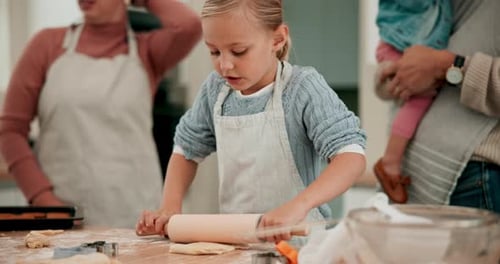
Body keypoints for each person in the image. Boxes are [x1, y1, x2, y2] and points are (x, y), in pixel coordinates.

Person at [136, 0, 366, 242]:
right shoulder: (216, 90)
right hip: (238, 245)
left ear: (277, 40)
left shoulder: (302, 89)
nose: (224, 65)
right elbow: (186, 150)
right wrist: (170, 206)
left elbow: (351, 157)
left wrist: (299, 205)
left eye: (239, 51)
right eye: (214, 51)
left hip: (301, 246)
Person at [0, 0, 202, 227]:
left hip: (136, 215)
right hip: (64, 214)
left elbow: (190, 26)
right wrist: (45, 201)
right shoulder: (46, 44)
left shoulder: (148, 51)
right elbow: (10, 131)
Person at [378, 0, 500, 213]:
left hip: (474, 174)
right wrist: (399, 73)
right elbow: (383, 86)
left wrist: (448, 67)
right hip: (416, 175)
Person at [373, 0, 453, 203]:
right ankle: (390, 161)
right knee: (419, 100)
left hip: (394, 44)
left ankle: (391, 161)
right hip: (401, 47)